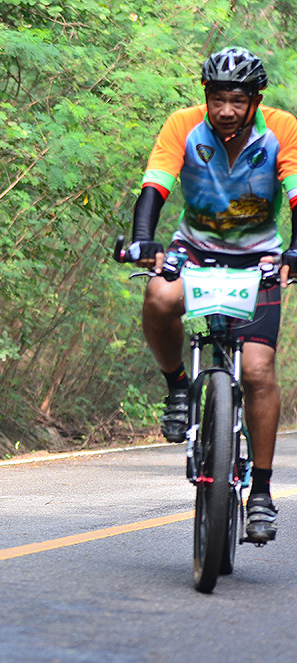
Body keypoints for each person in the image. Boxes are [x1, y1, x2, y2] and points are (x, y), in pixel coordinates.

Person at [126, 46, 297, 544]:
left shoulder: (281, 128)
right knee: (158, 297)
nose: (225, 110)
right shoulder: (183, 125)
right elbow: (155, 186)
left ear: (255, 100)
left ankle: (260, 492)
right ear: (206, 96)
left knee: (258, 371)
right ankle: (178, 387)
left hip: (259, 260)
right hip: (195, 251)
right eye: (217, 98)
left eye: (236, 100)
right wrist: (143, 240)